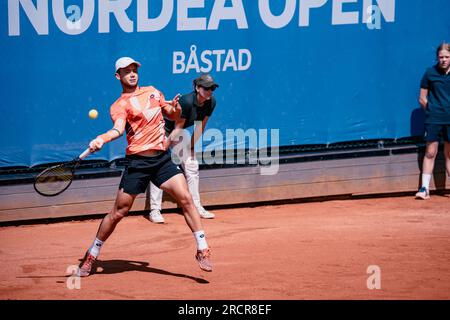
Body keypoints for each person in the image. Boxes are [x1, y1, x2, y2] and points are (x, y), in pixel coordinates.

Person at [77, 57, 213, 276]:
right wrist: (101, 138)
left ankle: (202, 248)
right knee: (118, 212)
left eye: (134, 70)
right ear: (118, 76)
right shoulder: (118, 105)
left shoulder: (153, 91)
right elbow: (118, 129)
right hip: (138, 163)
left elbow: (172, 114)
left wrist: (174, 108)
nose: (132, 74)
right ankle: (92, 254)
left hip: (161, 160)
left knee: (186, 198)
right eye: (126, 71)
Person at [148, 74, 219, 224]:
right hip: (162, 130)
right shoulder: (186, 102)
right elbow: (177, 128)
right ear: (197, 88)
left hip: (177, 131)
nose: (210, 91)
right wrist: (163, 148)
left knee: (192, 164)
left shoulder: (210, 102)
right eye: (206, 88)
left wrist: (192, 147)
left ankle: (196, 207)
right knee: (159, 166)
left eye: (212, 88)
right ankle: (155, 210)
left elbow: (200, 126)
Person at [415, 42, 450, 200]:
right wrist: (432, 111)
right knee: (430, 152)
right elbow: (422, 98)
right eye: (441, 57)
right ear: (437, 58)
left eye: (447, 57)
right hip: (434, 119)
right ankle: (424, 189)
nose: (443, 60)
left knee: (449, 155)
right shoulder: (430, 73)